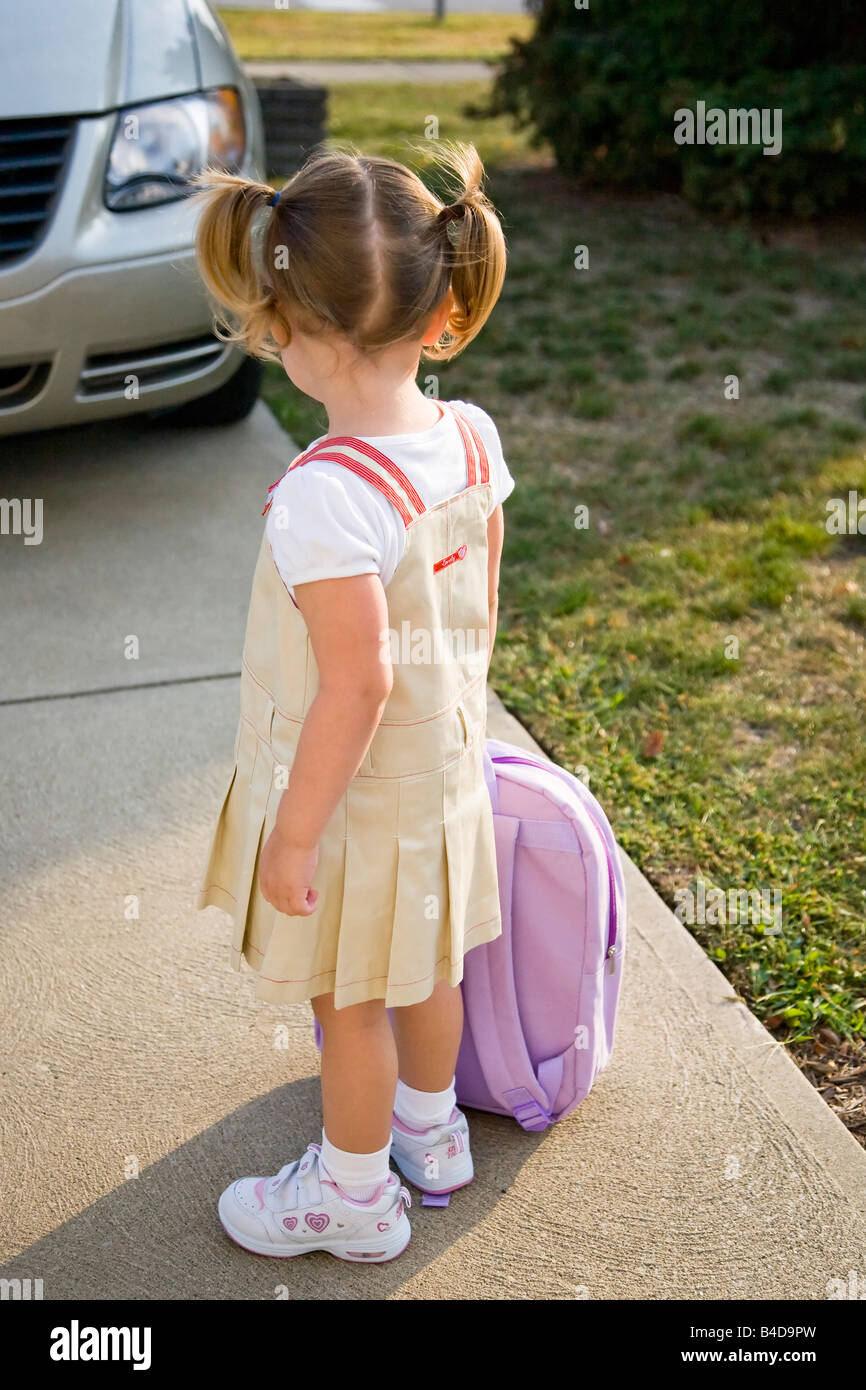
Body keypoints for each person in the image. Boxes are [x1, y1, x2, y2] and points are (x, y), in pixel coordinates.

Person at [193, 142, 515, 1262]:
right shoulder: (470, 437)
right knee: (429, 965)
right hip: (440, 777)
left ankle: (351, 1196)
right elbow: (475, 593)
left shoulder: (325, 497)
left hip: (355, 804)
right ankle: (431, 1137)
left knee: (345, 1002)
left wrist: (291, 835)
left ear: (286, 326)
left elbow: (356, 679)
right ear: (437, 308)